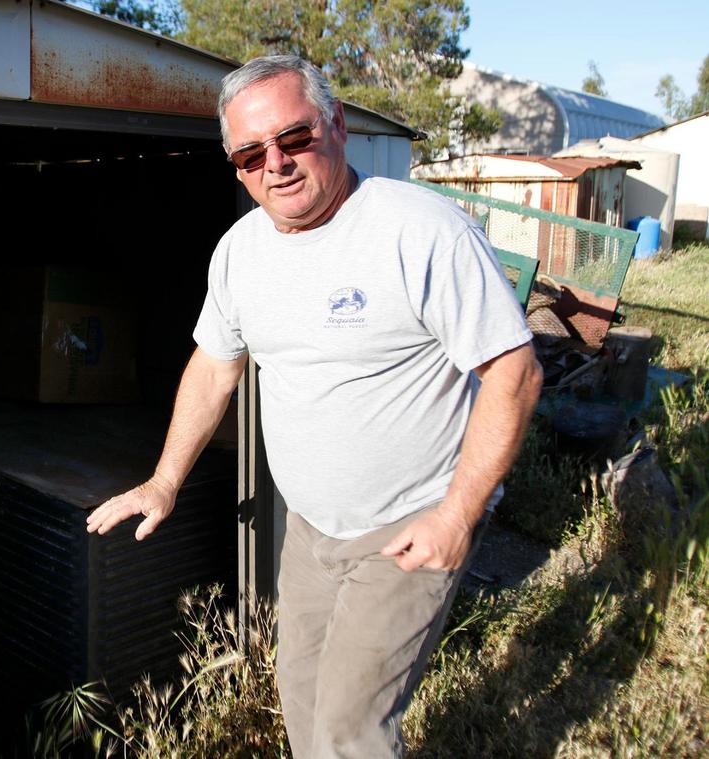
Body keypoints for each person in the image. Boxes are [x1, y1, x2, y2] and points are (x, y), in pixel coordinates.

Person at [86, 54, 543, 758]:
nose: (276, 163)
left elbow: (514, 370)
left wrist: (457, 514)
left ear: (336, 127)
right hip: (309, 531)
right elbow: (215, 367)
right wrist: (165, 479)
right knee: (301, 705)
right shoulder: (240, 252)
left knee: (347, 733)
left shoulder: (419, 231)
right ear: (235, 164)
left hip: (407, 525)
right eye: (250, 153)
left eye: (294, 138)